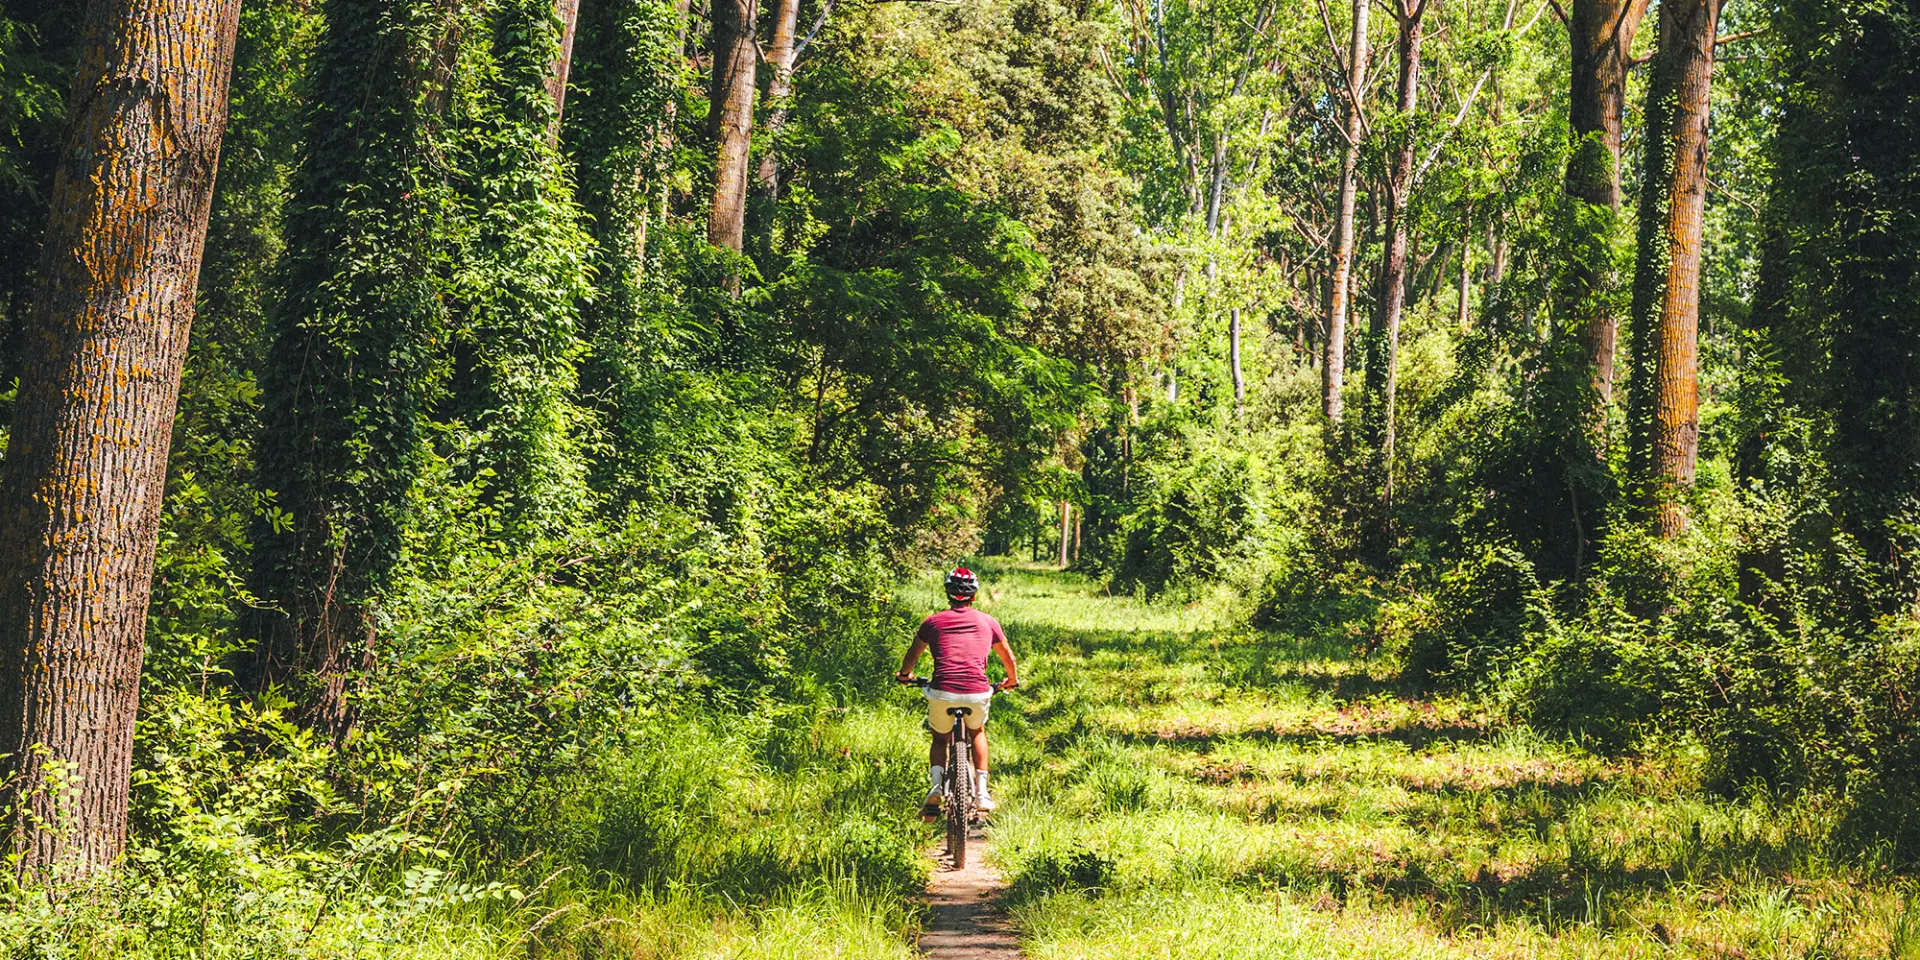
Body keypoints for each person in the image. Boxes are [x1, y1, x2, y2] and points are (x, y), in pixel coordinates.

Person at [896, 566, 1018, 821]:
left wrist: (905, 675)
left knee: (940, 739)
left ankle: (936, 786)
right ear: (974, 596)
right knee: (977, 732)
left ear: (947, 594)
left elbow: (913, 654)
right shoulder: (988, 621)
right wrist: (1011, 680)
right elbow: (1008, 657)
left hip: (942, 692)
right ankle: (982, 792)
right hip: (976, 692)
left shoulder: (932, 622)